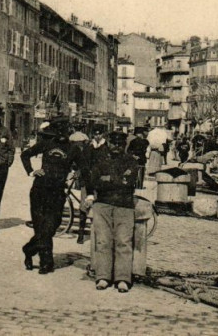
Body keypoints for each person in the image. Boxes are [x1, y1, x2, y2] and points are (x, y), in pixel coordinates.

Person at [21, 117, 81, 274]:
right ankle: (46, 263)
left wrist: (76, 173)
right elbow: (25, 155)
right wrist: (31, 171)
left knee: (52, 226)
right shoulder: (46, 144)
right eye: (58, 130)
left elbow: (83, 166)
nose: (61, 134)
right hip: (40, 190)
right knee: (41, 227)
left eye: (64, 130)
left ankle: (28, 249)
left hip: (57, 192)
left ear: (69, 131)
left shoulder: (73, 149)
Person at [82, 131, 140, 293]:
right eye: (114, 143)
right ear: (109, 143)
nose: (116, 147)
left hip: (124, 205)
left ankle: (122, 278)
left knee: (124, 241)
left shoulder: (131, 161)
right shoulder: (100, 160)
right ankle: (103, 277)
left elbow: (128, 182)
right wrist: (116, 180)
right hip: (103, 205)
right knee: (103, 241)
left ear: (124, 145)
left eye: (120, 144)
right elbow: (94, 181)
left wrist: (107, 179)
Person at [76, 128, 108, 244]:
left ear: (103, 134)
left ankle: (99, 233)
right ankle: (81, 233)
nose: (97, 136)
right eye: (95, 134)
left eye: (99, 134)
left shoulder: (106, 147)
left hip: (100, 181)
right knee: (84, 206)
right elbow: (82, 162)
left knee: (100, 206)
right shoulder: (88, 147)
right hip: (88, 180)